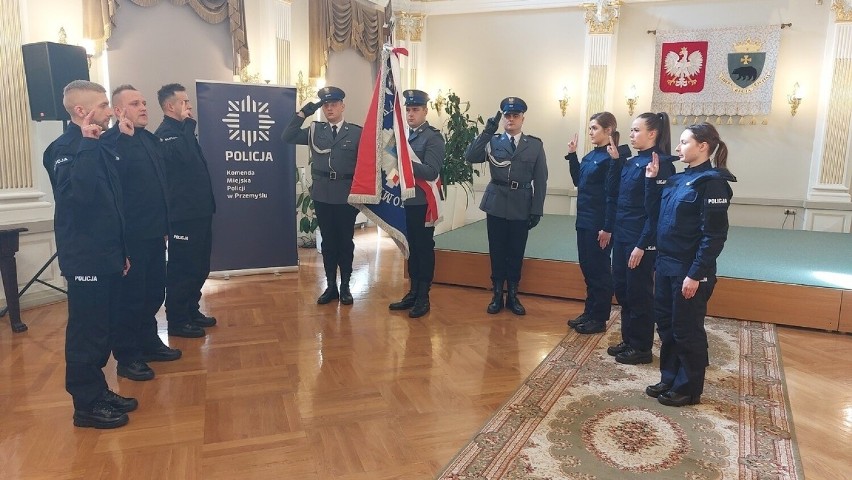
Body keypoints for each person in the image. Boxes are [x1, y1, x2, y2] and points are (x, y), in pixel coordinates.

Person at [43, 80, 138, 428]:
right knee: (87, 331)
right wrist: (85, 143)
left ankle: (98, 390)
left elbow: (112, 203)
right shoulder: (64, 148)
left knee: (105, 327)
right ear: (82, 112)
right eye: (102, 105)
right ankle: (85, 404)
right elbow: (78, 196)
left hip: (107, 254)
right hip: (84, 258)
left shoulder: (97, 144)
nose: (109, 111)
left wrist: (121, 251)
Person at [644, 122, 736, 407]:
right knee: (667, 326)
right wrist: (651, 180)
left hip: (690, 271)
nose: (678, 147)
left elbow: (714, 236)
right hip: (666, 265)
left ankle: (689, 388)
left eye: (684, 142)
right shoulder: (678, 180)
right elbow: (654, 215)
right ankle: (670, 377)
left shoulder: (713, 182)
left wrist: (696, 274)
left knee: (687, 330)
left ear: (703, 146)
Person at [111, 84, 182, 373]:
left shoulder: (151, 141)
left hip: (154, 234)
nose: (143, 107)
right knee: (131, 298)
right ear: (119, 111)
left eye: (144, 102)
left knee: (154, 292)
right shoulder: (112, 143)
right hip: (131, 237)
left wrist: (165, 224)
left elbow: (161, 187)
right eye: (135, 103)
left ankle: (149, 342)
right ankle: (128, 357)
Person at [596, 113, 676, 359]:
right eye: (630, 131)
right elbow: (613, 192)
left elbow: (656, 211)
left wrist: (643, 244)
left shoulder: (660, 163)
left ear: (652, 133)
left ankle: (641, 347)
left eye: (636, 131)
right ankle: (629, 339)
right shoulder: (631, 162)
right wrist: (615, 162)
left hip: (640, 239)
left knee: (639, 292)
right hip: (622, 235)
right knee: (622, 289)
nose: (631, 135)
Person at [465, 97, 548, 316]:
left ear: (522, 118)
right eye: (507, 115)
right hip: (497, 204)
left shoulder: (535, 145)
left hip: (522, 204)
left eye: (515, 115)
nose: (511, 119)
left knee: (516, 251)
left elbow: (541, 180)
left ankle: (512, 294)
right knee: (497, 250)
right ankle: (496, 295)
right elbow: (470, 156)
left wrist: (537, 209)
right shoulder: (493, 142)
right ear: (502, 118)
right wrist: (485, 133)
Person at [282, 86, 362, 305]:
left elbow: (366, 165)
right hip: (323, 195)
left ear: (342, 106)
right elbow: (287, 136)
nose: (329, 108)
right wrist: (303, 113)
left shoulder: (356, 132)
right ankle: (330, 287)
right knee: (328, 243)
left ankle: (345, 286)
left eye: (334, 104)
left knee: (345, 242)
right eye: (326, 105)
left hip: (346, 196)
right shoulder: (316, 131)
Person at [155, 83, 217, 338]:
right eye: (185, 102)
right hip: (182, 216)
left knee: (200, 265)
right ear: (171, 106)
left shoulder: (182, 132)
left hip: (200, 212)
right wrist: (189, 126)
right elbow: (184, 159)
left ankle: (191, 309)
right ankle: (178, 320)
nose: (190, 107)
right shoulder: (166, 134)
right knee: (183, 268)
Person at [565, 112, 630, 333]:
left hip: (599, 223)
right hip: (584, 220)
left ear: (608, 130)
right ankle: (590, 311)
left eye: (594, 128)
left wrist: (608, 227)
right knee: (587, 268)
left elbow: (614, 195)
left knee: (600, 271)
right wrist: (572, 155)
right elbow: (578, 181)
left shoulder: (614, 158)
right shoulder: (591, 156)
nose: (590, 132)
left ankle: (599, 318)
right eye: (590, 128)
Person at [388, 89, 445, 318]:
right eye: (408, 110)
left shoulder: (433, 138)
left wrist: (404, 163)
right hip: (403, 202)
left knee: (423, 248)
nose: (411, 114)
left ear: (425, 111)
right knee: (410, 249)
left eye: (415, 110)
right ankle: (412, 292)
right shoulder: (403, 137)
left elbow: (431, 172)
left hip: (422, 203)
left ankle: (423, 296)